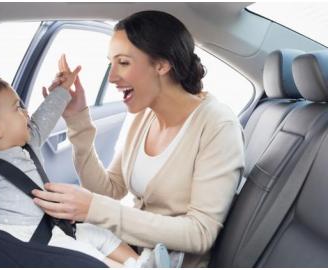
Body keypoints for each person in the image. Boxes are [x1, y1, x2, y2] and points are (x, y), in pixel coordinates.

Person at [32, 10, 245, 267]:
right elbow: (110, 189)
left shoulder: (218, 125)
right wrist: (77, 119)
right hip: (129, 250)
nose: (111, 77)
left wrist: (94, 209)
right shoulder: (143, 116)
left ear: (162, 65)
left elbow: (200, 233)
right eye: (111, 63)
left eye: (123, 62)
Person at [0, 55, 172, 268]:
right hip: (31, 243)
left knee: (100, 234)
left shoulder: (28, 143)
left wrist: (63, 90)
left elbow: (46, 115)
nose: (26, 112)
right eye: (18, 107)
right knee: (86, 253)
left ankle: (143, 263)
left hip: (55, 228)